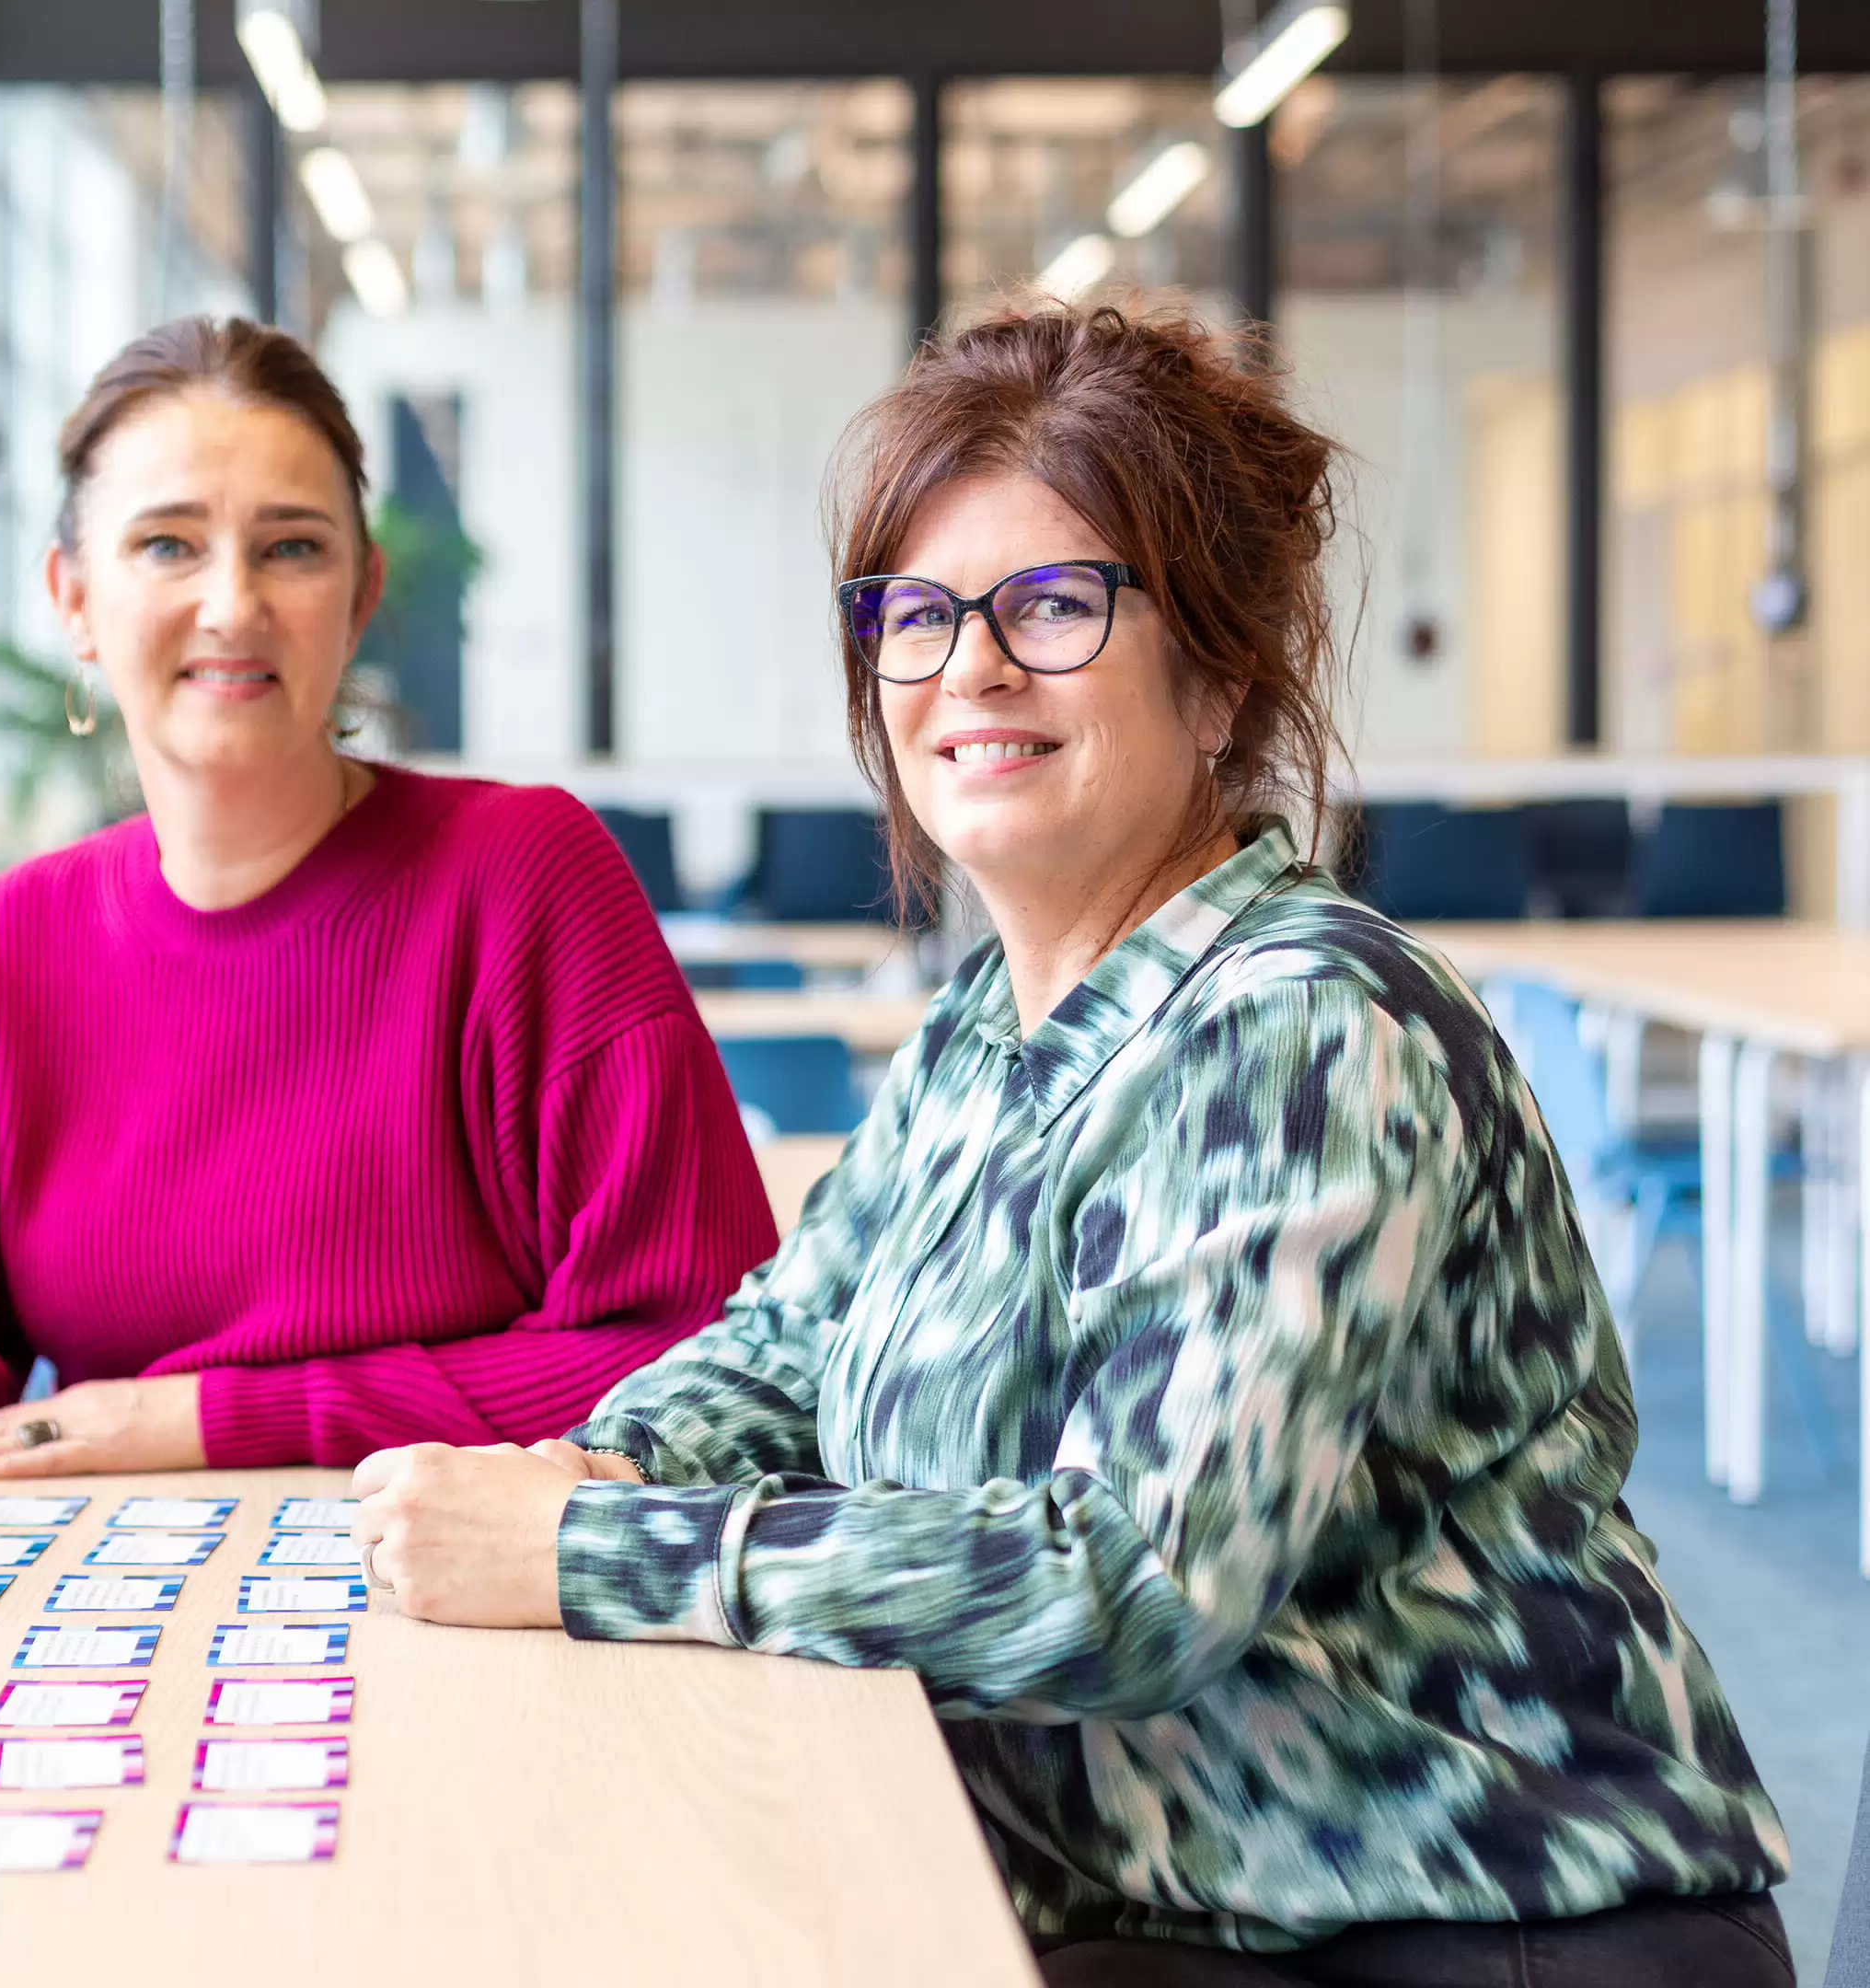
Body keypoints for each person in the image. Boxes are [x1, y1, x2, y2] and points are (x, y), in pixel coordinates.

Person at [347, 299, 1795, 1985]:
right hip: (1163, 1895)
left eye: (1052, 604)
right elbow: (783, 1348)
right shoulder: (992, 1026)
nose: (968, 666)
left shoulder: (1308, 1024)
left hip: (1467, 1922)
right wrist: (599, 1468)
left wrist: (596, 1552)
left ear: (1219, 675)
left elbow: (1135, 1577)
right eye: (919, 613)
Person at [0, 315, 776, 1503]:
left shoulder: (527, 878)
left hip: (471, 1594)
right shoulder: (7, 948)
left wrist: (203, 1414)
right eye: (166, 545)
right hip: (120, 1606)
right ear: (75, 599)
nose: (231, 604)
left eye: (293, 547)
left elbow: (694, 1355)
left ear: (362, 596)